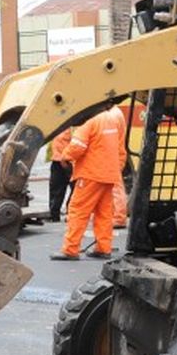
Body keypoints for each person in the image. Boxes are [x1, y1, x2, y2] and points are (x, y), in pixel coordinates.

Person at [52, 103, 127, 261]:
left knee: (78, 210)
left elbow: (77, 147)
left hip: (91, 174)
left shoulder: (90, 123)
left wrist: (65, 156)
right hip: (109, 174)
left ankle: (70, 249)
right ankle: (103, 248)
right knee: (104, 213)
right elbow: (121, 150)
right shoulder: (112, 121)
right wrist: (116, 168)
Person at [47, 127, 74, 223]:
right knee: (56, 188)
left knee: (76, 189)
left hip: (70, 161)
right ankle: (54, 214)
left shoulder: (75, 126)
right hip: (58, 159)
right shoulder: (59, 122)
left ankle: (71, 214)